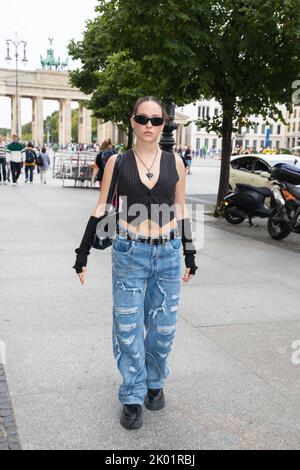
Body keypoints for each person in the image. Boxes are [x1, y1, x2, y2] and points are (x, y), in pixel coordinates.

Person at [73, 96, 198, 430]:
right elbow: (101, 208)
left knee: (163, 328)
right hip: (130, 253)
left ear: (164, 125)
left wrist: (190, 253)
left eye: (156, 121)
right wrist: (81, 253)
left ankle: (155, 382)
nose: (149, 126)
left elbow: (181, 209)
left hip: (169, 253)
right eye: (143, 119)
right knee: (128, 329)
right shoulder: (117, 161)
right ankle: (132, 394)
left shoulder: (177, 163)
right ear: (132, 121)